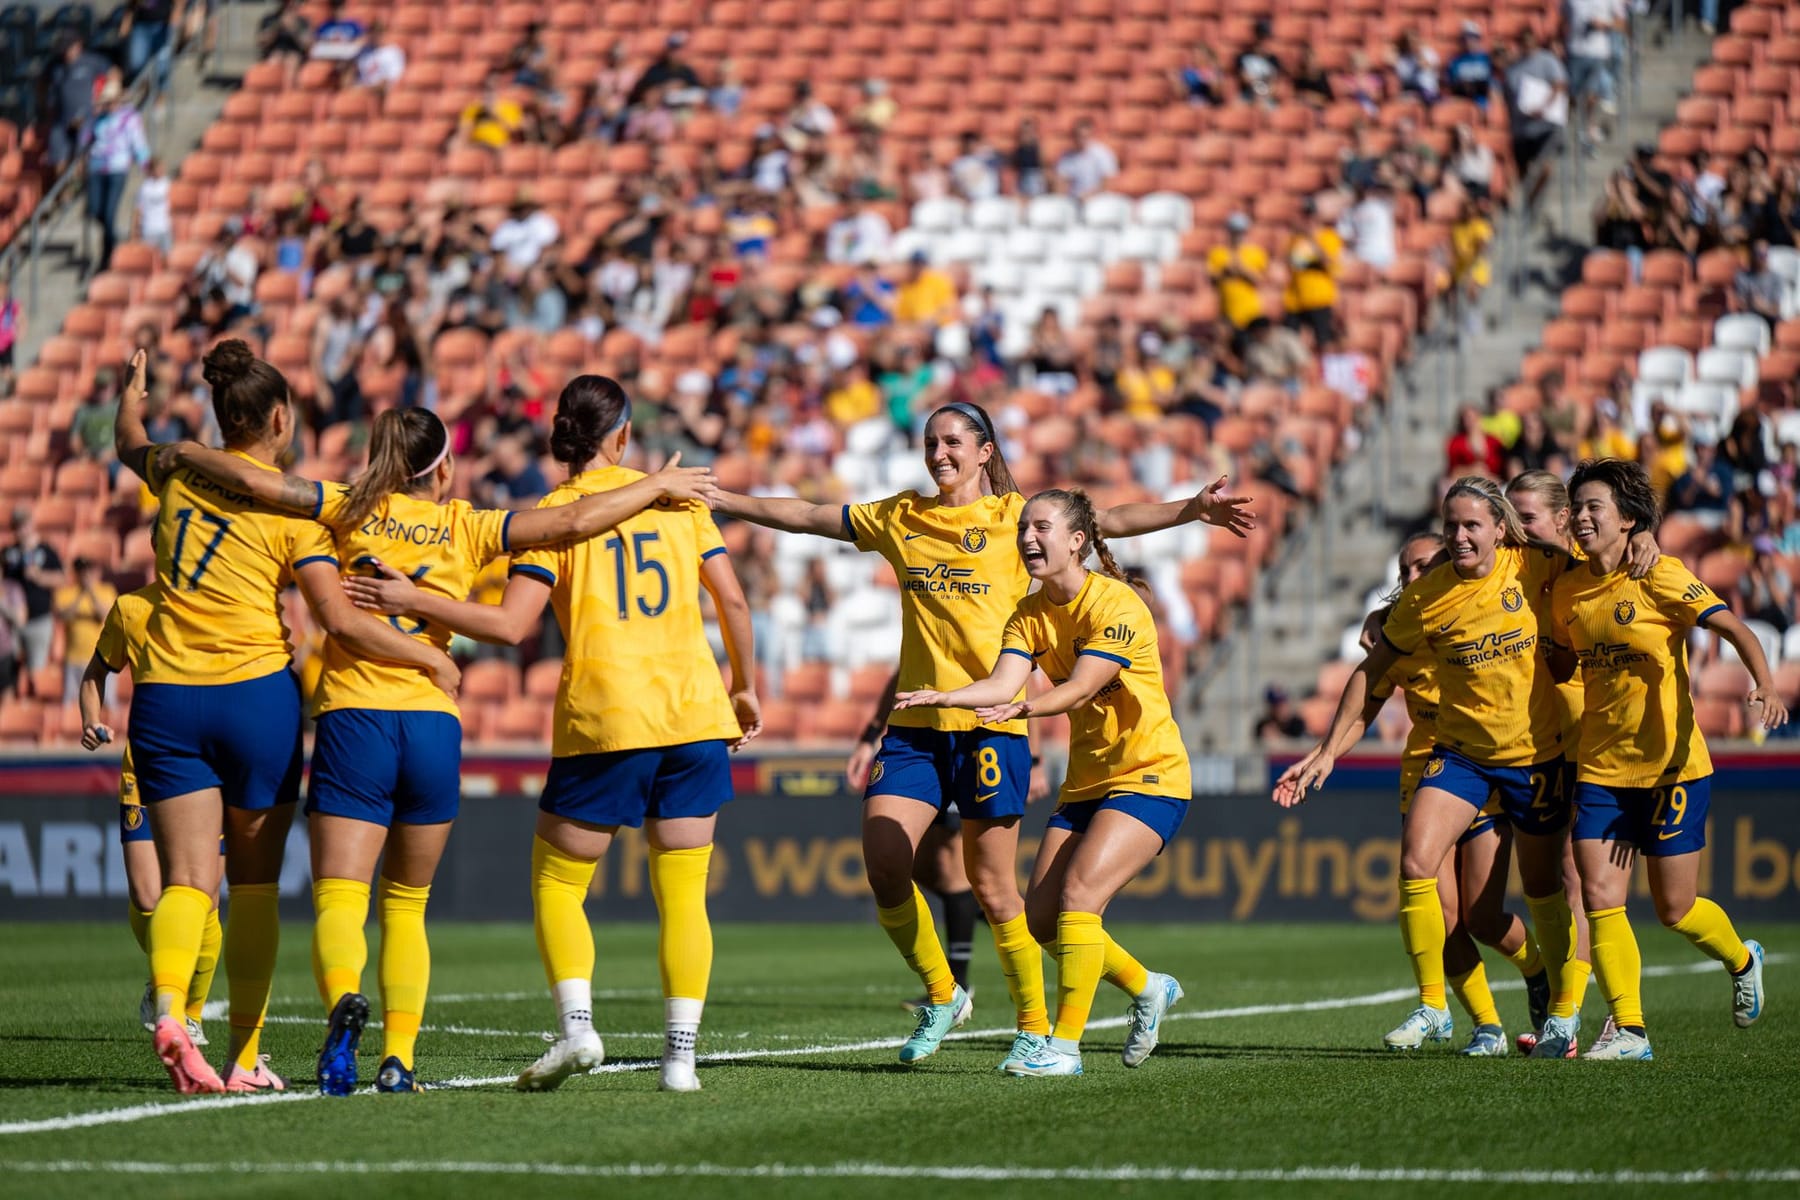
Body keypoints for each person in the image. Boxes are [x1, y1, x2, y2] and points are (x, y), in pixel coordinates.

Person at [163, 406, 718, 1094]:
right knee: (406, 905)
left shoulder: (340, 507)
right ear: (445, 468)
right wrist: (652, 485)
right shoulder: (469, 523)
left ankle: (343, 1003)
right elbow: (573, 521)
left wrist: (182, 451)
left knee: (341, 898)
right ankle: (398, 1060)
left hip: (354, 715)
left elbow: (259, 484)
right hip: (431, 721)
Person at [707, 401, 1253, 1067]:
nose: (938, 453)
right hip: (916, 726)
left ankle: (1034, 1026)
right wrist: (725, 500)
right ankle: (943, 994)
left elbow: (1108, 521)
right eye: (930, 441)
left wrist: (1191, 510)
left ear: (985, 451)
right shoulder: (901, 516)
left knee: (996, 889)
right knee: (884, 861)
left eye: (953, 442)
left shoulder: (1013, 521)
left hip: (992, 725)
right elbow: (808, 516)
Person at [342, 376, 760, 1095]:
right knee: (684, 896)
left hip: (607, 715)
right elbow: (732, 597)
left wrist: (413, 599)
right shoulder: (677, 501)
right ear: (622, 435)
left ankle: (577, 1029)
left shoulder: (554, 516)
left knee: (558, 883)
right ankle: (681, 1061)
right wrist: (746, 686)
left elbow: (510, 628)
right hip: (693, 714)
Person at [112, 342, 460, 1095]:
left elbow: (128, 441)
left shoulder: (176, 473)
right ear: (278, 417)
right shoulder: (292, 513)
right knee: (257, 889)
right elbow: (337, 617)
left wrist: (131, 392)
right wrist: (429, 658)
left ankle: (172, 1010)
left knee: (189, 882)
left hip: (165, 694)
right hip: (255, 700)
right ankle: (243, 1056)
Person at [893, 488, 1192, 1077]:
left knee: (1080, 901)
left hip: (1151, 773)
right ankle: (1147, 986)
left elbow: (1079, 687)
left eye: (1042, 528)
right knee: (1039, 920)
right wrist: (948, 696)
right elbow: (1003, 682)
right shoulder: (1028, 614)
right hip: (1087, 783)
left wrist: (1024, 712)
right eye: (1023, 528)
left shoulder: (1118, 604)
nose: (1027, 537)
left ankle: (1064, 1048)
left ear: (1078, 540)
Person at [1285, 478, 1587, 1056]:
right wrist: (1326, 753)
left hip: (1533, 757)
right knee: (1417, 860)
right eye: (1452, 525)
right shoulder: (1424, 599)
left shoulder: (1535, 567)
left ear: (1501, 529)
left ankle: (1563, 1010)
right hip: (1461, 756)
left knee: (1541, 891)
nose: (1460, 535)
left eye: (1472, 524)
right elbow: (1370, 675)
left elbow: (1595, 560)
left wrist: (1641, 535)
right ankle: (1436, 1006)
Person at [1550, 458, 1783, 1059]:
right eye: (1575, 508)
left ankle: (1741, 957)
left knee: (1675, 909)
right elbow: (1562, 659)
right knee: (1600, 899)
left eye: (1593, 507)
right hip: (1600, 769)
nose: (1580, 517)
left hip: (1672, 768)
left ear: (1628, 520)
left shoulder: (1661, 575)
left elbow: (1736, 629)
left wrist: (1765, 683)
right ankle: (1629, 1030)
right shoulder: (1570, 590)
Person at [78, 584, 223, 1049]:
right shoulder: (131, 609)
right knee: (147, 899)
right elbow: (94, 673)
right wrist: (90, 718)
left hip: (208, 765)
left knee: (206, 900)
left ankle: (190, 1013)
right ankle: (165, 971)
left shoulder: (224, 603)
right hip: (145, 766)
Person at [847, 670, 986, 1006]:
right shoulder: (923, 624)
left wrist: (1037, 758)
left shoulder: (998, 623)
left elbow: (1027, 675)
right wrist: (871, 732)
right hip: (918, 745)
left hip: (969, 741)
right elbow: (900, 673)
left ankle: (956, 984)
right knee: (907, 864)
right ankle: (990, 912)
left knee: (951, 866)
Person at [84, 74, 151, 273]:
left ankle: (108, 253)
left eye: (112, 101)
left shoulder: (130, 118)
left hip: (117, 168)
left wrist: (145, 164)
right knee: (95, 210)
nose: (110, 105)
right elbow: (86, 139)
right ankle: (112, 239)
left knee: (109, 212)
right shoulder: (97, 118)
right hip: (97, 168)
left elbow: (138, 142)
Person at [1, 506, 65, 688]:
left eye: (24, 525)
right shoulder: (8, 553)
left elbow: (62, 578)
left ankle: (34, 709)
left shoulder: (45, 550)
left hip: (39, 620)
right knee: (9, 669)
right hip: (12, 620)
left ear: (32, 525)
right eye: (17, 526)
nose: (22, 530)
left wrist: (39, 577)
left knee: (36, 673)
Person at [54, 558, 117, 705]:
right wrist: (81, 594)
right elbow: (63, 616)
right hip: (74, 658)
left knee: (106, 702)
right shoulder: (66, 593)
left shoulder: (107, 590)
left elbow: (105, 616)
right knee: (71, 703)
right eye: (83, 570)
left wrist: (91, 593)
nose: (87, 574)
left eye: (90, 570)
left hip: (102, 659)